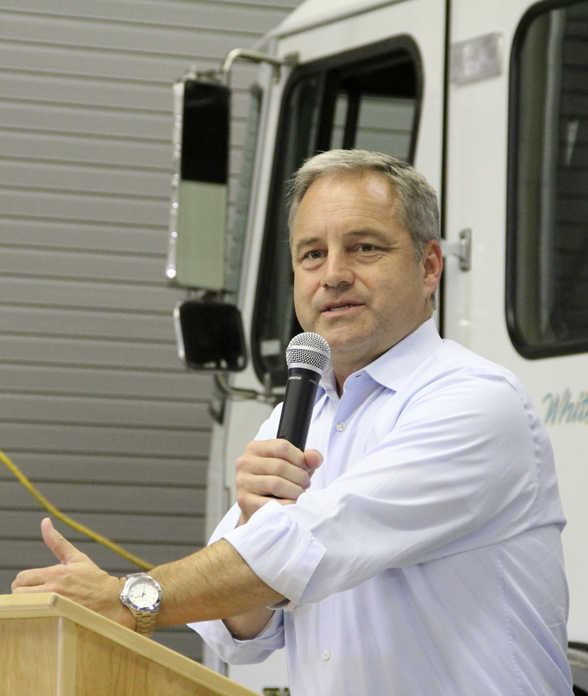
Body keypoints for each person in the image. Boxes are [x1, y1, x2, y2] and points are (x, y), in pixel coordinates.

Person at [12, 150, 573, 695]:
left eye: (365, 248)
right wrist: (259, 523)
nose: (333, 275)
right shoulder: (294, 416)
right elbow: (243, 635)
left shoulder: (474, 402)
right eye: (311, 254)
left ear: (429, 266)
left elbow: (315, 545)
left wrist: (130, 596)